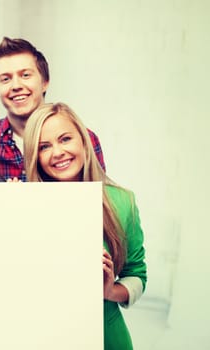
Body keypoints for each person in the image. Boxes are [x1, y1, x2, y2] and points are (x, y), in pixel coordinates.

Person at [23, 102, 147, 350]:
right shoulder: (26, 207)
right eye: (44, 146)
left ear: (83, 140)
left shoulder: (122, 202)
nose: (57, 152)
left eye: (65, 139)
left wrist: (110, 291)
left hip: (105, 337)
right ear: (35, 156)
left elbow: (137, 274)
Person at [0, 37, 106, 181]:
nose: (16, 86)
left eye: (25, 75)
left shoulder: (84, 139)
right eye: (5, 79)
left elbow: (96, 198)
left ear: (45, 82)